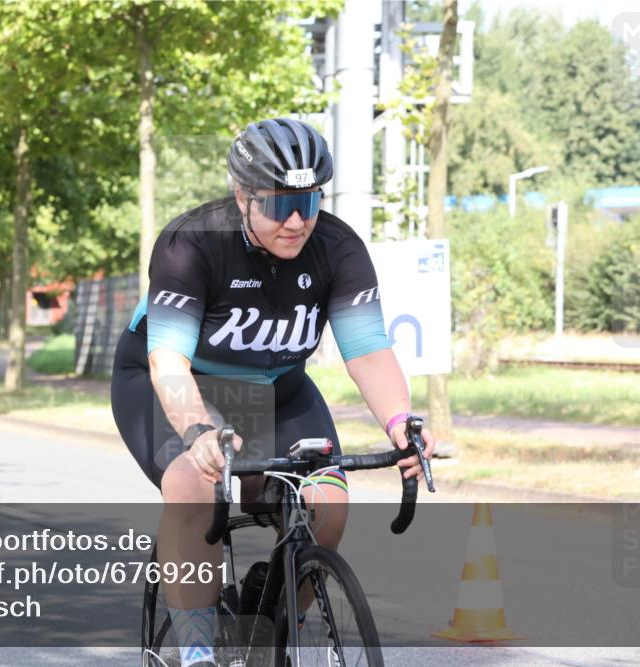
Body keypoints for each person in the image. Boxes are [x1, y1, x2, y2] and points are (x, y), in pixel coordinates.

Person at [111, 117, 435, 667]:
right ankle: (196, 654)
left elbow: (369, 350)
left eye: (307, 204)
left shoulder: (337, 247)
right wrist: (198, 430)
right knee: (195, 485)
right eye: (277, 204)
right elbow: (169, 362)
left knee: (328, 504)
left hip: (278, 389)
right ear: (242, 195)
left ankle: (270, 622)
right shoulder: (191, 243)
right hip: (179, 385)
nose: (294, 221)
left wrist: (398, 421)